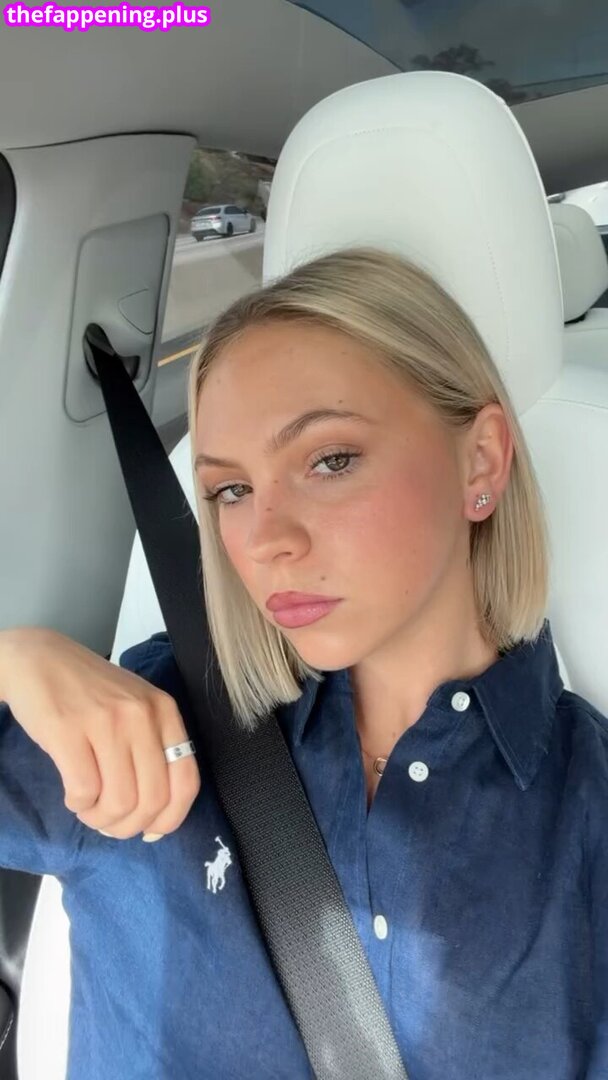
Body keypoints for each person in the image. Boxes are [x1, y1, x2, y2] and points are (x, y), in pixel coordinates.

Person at [1, 246, 607, 1079]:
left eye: (330, 460)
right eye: (231, 491)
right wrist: (14, 658)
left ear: (481, 461)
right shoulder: (150, 720)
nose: (265, 541)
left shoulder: (588, 816)